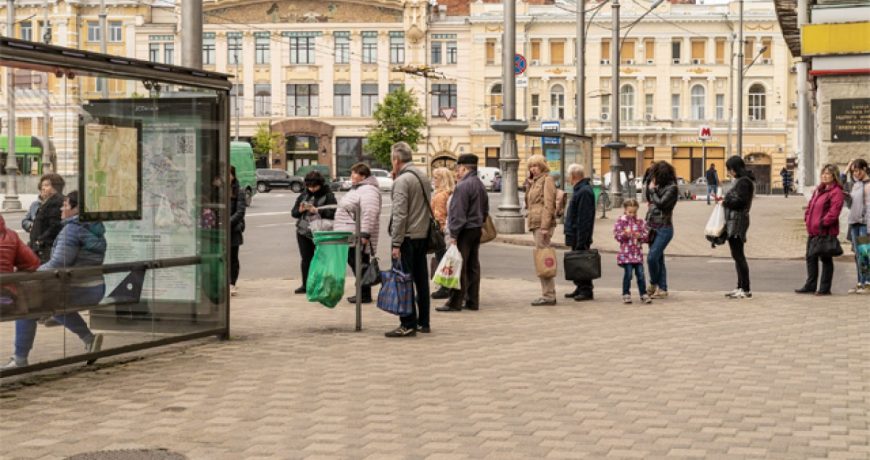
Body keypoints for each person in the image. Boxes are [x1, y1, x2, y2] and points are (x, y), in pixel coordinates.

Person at [3, 192, 105, 369]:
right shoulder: (96, 230)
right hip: (95, 287)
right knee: (55, 308)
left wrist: (36, 275)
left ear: (76, 209)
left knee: (28, 307)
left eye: (65, 205)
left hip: (77, 288)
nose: (61, 208)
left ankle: (20, 359)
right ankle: (89, 339)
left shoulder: (72, 230)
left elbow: (58, 263)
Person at [386, 142, 432, 337]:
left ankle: (408, 324)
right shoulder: (423, 176)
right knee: (421, 280)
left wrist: (396, 243)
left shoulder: (402, 180)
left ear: (396, 160)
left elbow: (400, 214)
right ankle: (424, 322)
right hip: (422, 234)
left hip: (407, 237)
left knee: (403, 280)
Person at [437, 154, 488, 312]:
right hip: (476, 228)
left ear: (464, 168)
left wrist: (454, 234)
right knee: (472, 266)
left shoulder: (463, 185)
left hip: (464, 230)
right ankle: (472, 300)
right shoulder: (479, 184)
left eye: (458, 169)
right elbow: (485, 209)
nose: (456, 172)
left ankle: (455, 302)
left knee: (458, 265)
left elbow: (458, 213)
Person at [334, 163, 382, 304]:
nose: (351, 176)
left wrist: (365, 234)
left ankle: (364, 294)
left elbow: (369, 212)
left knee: (360, 263)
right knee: (357, 263)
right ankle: (362, 293)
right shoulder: (360, 189)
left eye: (354, 173)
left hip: (358, 235)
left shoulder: (368, 190)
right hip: (352, 234)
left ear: (363, 176)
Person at [795, 165, 845, 296]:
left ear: (834, 176)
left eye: (828, 174)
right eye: (823, 173)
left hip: (825, 232)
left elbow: (834, 211)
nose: (824, 176)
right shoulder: (819, 190)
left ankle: (824, 288)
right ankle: (810, 285)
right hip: (813, 231)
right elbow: (810, 206)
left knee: (826, 260)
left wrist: (823, 223)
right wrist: (807, 218)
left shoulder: (836, 192)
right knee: (810, 258)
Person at [291, 170, 337, 295]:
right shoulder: (304, 195)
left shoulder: (328, 195)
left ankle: (323, 284)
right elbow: (293, 213)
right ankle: (306, 285)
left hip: (321, 232)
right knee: (306, 259)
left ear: (320, 184)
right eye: (309, 186)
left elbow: (333, 213)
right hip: (303, 231)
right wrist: (300, 210)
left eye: (314, 187)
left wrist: (317, 210)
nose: (312, 189)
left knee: (322, 259)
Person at [720, 156, 756, 299]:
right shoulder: (743, 181)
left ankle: (745, 288)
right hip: (736, 220)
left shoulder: (744, 182)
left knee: (739, 255)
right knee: (736, 255)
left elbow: (740, 202)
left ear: (734, 169)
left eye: (730, 169)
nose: (729, 172)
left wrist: (725, 201)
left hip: (737, 221)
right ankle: (740, 286)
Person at [525, 154, 558, 306]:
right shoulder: (534, 182)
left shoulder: (547, 180)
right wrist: (529, 185)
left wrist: (545, 227)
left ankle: (549, 295)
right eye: (531, 166)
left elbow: (549, 204)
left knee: (544, 258)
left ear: (542, 166)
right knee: (541, 258)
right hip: (535, 223)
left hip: (541, 225)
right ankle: (547, 294)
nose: (533, 168)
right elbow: (530, 203)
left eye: (536, 165)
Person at [645, 161, 678, 299]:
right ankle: (663, 288)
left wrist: (653, 190)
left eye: (655, 175)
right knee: (658, 259)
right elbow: (649, 198)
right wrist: (650, 186)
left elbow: (662, 203)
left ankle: (653, 283)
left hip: (664, 228)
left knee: (652, 257)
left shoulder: (672, 188)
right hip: (652, 227)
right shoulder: (658, 186)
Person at [564, 163, 596, 302]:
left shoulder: (584, 191)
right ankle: (580, 287)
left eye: (568, 175)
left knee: (582, 262)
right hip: (576, 233)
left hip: (580, 234)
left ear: (573, 176)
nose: (567, 178)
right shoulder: (580, 190)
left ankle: (586, 290)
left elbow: (584, 218)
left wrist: (582, 239)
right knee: (578, 262)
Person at [614, 199, 651, 304]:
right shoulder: (621, 221)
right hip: (626, 254)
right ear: (625, 210)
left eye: (634, 212)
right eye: (630, 212)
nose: (632, 214)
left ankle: (643, 294)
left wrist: (641, 237)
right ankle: (626, 293)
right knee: (628, 274)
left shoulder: (640, 222)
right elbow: (617, 235)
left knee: (640, 274)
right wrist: (625, 234)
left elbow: (646, 235)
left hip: (637, 253)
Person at [844, 159, 870, 295]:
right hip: (854, 223)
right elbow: (840, 186)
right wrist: (846, 169)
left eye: (858, 170)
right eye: (854, 171)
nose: (856, 173)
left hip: (865, 224)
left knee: (864, 254)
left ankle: (867, 283)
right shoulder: (854, 184)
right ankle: (860, 283)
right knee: (858, 255)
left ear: (865, 168)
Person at [430, 167, 455, 300]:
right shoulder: (449, 192)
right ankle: (447, 286)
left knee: (442, 260)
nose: (433, 180)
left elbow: (439, 216)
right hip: (447, 231)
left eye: (435, 178)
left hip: (440, 232)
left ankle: (444, 288)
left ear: (442, 179)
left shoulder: (440, 195)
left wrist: (438, 230)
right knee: (446, 260)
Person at [28, 173, 65, 263]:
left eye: (46, 185)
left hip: (45, 249)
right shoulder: (49, 201)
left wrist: (40, 240)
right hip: (41, 248)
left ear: (55, 187)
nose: (43, 188)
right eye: (42, 185)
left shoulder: (56, 201)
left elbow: (55, 225)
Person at [229, 166, 246, 296]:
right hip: (217, 229)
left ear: (233, 176)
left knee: (232, 257)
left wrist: (226, 223)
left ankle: (232, 283)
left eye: (228, 174)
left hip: (232, 229)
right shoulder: (216, 190)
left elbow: (240, 212)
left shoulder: (239, 191)